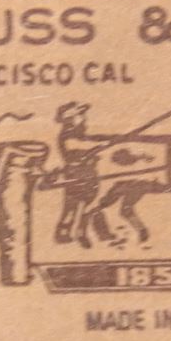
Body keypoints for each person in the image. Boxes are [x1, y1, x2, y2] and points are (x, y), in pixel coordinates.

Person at [51, 102, 118, 244]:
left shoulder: (79, 134)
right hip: (75, 174)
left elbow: (92, 140)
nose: (84, 118)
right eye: (80, 115)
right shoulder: (67, 134)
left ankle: (87, 234)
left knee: (91, 204)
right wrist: (103, 144)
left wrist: (111, 139)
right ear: (69, 118)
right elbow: (82, 145)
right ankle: (63, 235)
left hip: (89, 173)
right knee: (72, 208)